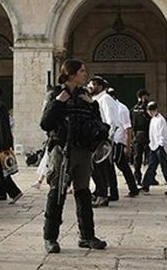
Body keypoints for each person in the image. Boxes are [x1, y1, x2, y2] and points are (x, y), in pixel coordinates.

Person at [41, 59, 107, 254]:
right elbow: (45, 123)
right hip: (62, 151)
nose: (85, 74)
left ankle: (87, 236)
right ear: (71, 74)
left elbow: (98, 124)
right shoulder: (55, 94)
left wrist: (93, 106)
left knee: (84, 193)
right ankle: (50, 237)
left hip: (83, 150)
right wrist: (58, 103)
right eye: (81, 71)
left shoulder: (86, 97)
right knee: (57, 193)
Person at [87, 76, 118, 207]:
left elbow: (111, 122)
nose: (91, 86)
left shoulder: (105, 99)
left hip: (102, 139)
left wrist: (106, 141)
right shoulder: (96, 99)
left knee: (101, 169)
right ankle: (101, 192)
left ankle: (103, 195)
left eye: (93, 84)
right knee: (98, 168)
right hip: (95, 138)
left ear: (100, 86)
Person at [141, 102, 167, 195]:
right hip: (154, 146)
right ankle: (145, 186)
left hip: (160, 146)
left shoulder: (160, 120)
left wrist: (161, 146)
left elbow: (162, 134)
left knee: (164, 167)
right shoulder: (153, 119)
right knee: (151, 166)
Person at [107, 88, 139, 198]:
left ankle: (132, 188)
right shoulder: (111, 108)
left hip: (119, 141)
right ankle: (115, 191)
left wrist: (128, 145)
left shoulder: (121, 108)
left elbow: (128, 128)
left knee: (122, 165)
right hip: (112, 140)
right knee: (113, 166)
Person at [130, 89, 152, 185]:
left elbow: (131, 124)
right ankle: (149, 178)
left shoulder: (133, 109)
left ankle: (137, 178)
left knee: (137, 159)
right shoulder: (147, 108)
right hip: (147, 135)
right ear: (143, 97)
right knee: (150, 158)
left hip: (137, 136)